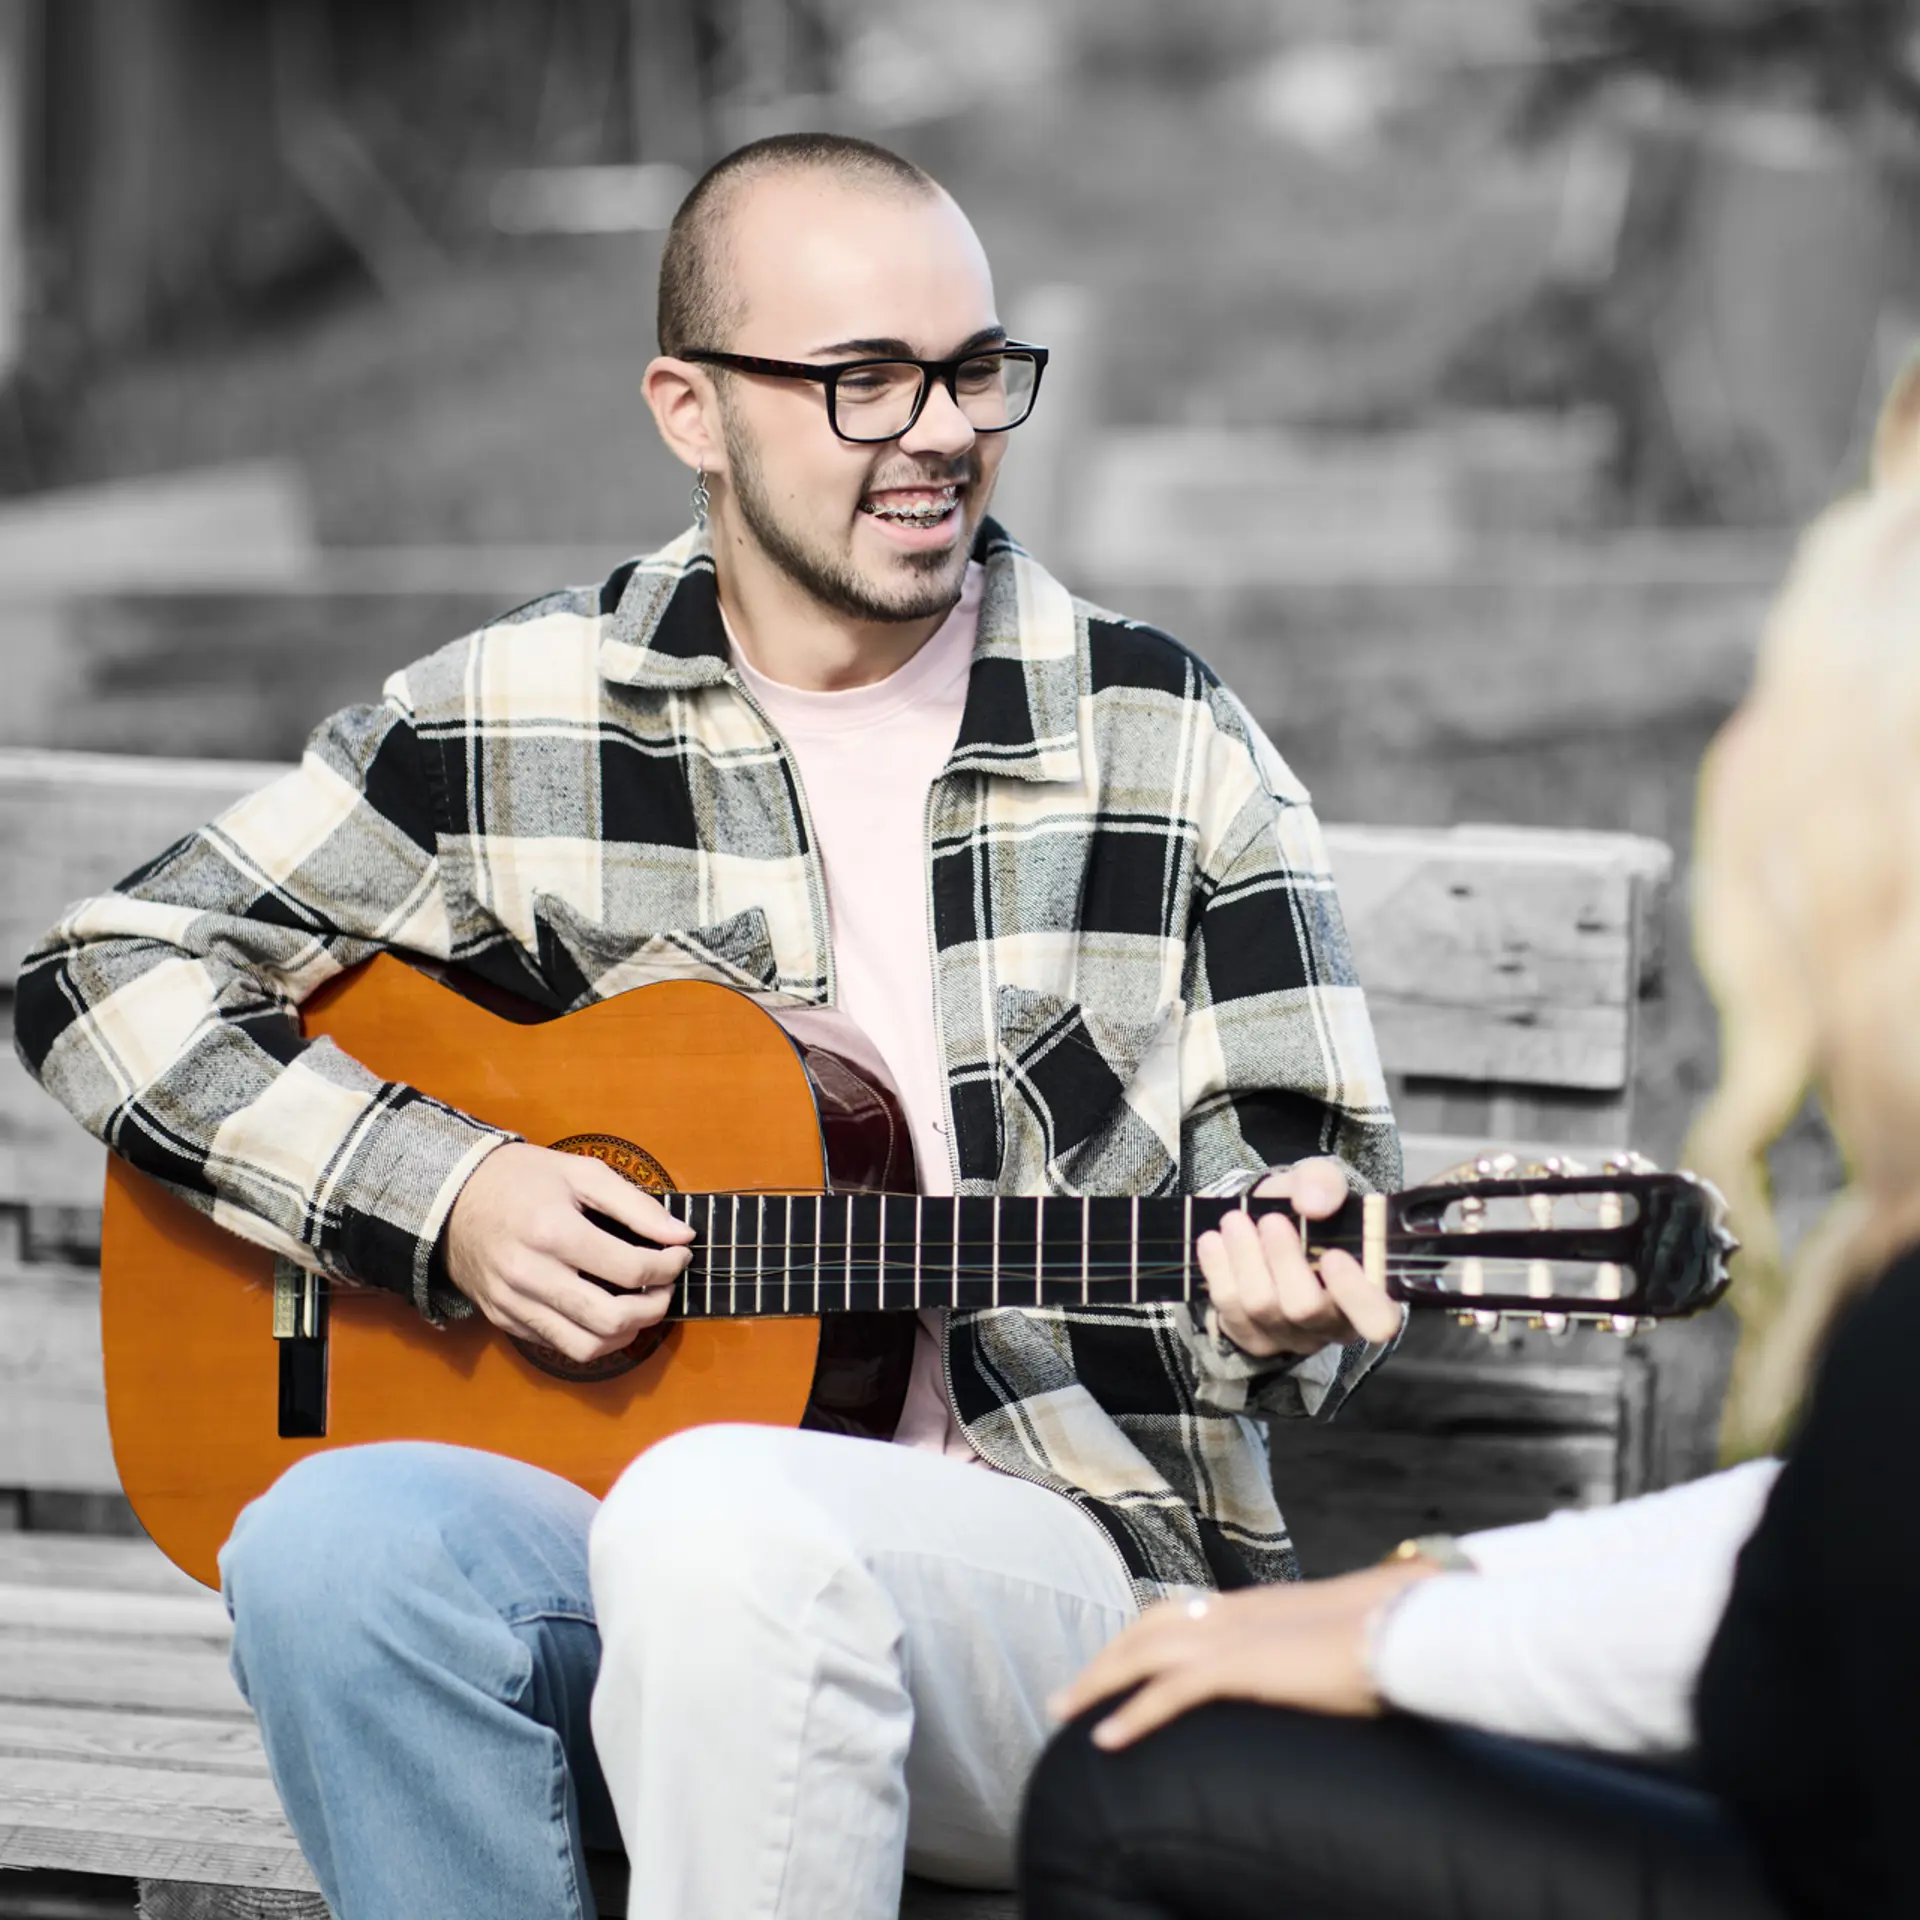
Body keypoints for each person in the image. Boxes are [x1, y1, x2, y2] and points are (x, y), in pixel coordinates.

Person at [13, 135, 1404, 1920]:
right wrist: (450, 1195)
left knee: (726, 1515)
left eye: (975, 370)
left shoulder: (1164, 738)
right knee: (323, 1549)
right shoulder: (514, 710)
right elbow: (106, 967)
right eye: (862, 380)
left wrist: (1293, 1292)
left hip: (1056, 1597)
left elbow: (1318, 1186)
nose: (940, 430)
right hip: (614, 1555)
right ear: (690, 408)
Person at [1021, 364, 1920, 1920]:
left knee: (1141, 1780)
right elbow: (1819, 1549)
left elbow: (1819, 1607)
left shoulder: (1162, 741)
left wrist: (1382, 1637)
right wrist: (1423, 1597)